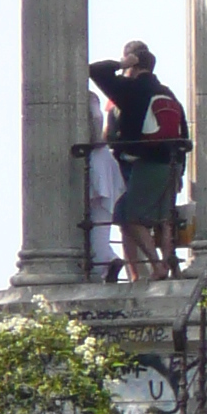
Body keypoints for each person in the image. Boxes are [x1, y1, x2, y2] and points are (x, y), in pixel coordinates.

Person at [87, 41, 189, 284]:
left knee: (127, 217)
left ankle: (155, 267)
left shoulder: (131, 89)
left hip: (144, 163)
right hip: (171, 163)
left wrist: (123, 64)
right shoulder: (166, 92)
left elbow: (95, 70)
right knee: (164, 220)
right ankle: (167, 265)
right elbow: (183, 132)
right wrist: (181, 170)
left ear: (133, 64)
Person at [84, 94, 123, 280]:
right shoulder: (90, 97)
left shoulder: (87, 97)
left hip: (97, 161)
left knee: (98, 219)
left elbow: (97, 118)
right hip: (103, 161)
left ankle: (102, 265)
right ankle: (107, 259)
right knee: (99, 220)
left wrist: (94, 137)